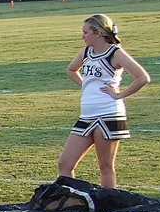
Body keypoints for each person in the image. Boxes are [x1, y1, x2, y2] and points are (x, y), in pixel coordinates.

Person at [57, 13, 150, 188]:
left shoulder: (115, 53)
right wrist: (86, 84)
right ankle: (71, 201)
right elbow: (71, 69)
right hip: (86, 114)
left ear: (97, 33)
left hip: (108, 113)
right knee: (64, 164)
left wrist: (119, 95)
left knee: (105, 167)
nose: (82, 36)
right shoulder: (86, 52)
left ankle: (108, 207)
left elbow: (142, 77)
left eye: (85, 32)